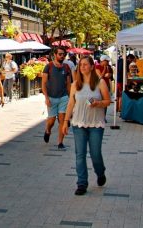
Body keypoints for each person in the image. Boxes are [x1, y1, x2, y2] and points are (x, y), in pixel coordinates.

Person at [62, 56, 111, 195]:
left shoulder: (100, 83)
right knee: (80, 154)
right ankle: (82, 183)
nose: (82, 67)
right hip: (79, 123)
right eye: (80, 65)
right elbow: (71, 104)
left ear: (91, 66)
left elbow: (108, 101)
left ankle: (100, 172)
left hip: (95, 123)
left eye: (85, 64)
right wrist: (65, 122)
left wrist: (98, 103)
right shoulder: (75, 84)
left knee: (95, 154)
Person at [42, 46, 72, 150]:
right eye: (60, 54)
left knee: (62, 120)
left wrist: (71, 98)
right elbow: (44, 83)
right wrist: (46, 98)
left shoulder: (66, 67)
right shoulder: (48, 66)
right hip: (51, 97)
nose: (62, 56)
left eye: (63, 54)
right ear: (54, 55)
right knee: (51, 121)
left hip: (63, 97)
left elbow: (68, 84)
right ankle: (48, 130)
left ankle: (60, 142)